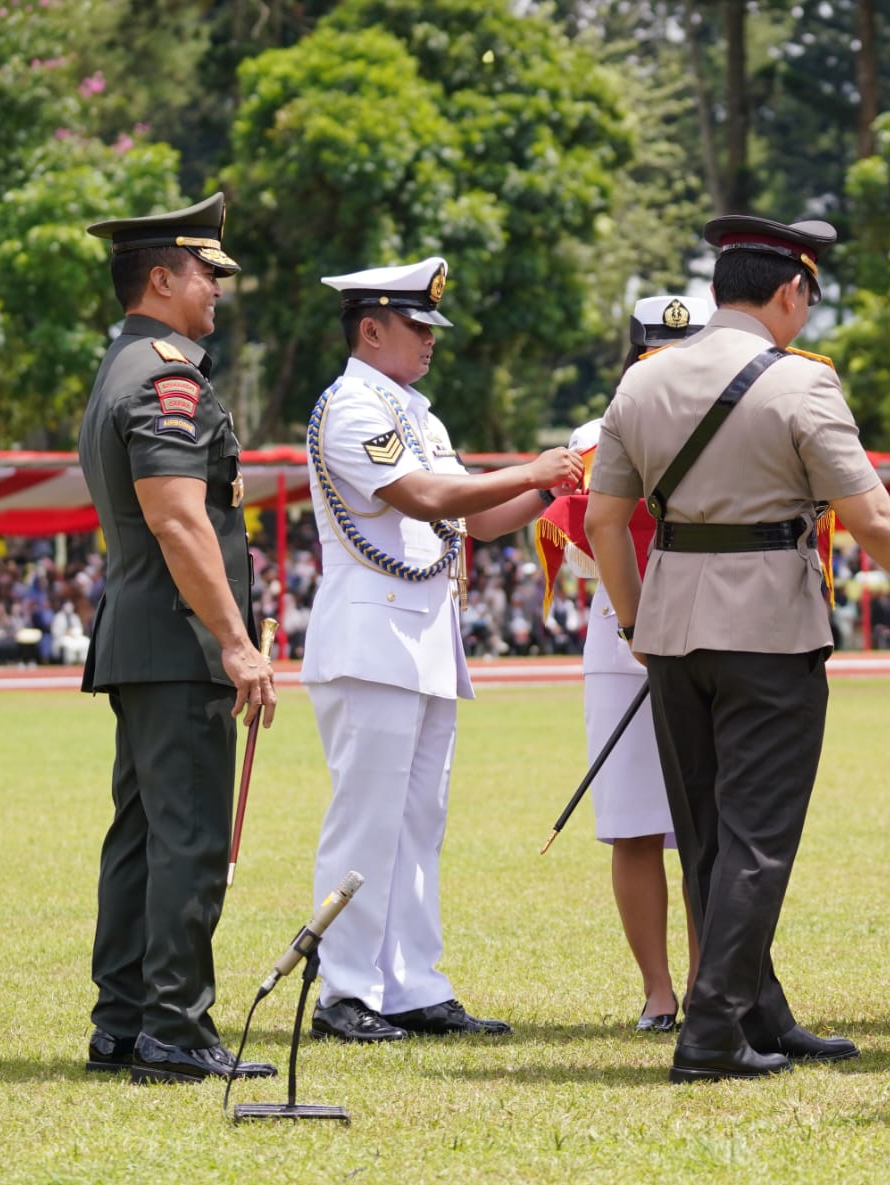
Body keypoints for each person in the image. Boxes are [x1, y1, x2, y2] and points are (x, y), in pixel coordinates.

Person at [586, 214, 890, 1083]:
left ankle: (757, 1009)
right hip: (769, 628)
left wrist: (638, 624)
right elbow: (870, 515)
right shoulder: (802, 386)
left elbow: (604, 521)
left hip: (672, 626)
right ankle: (711, 1031)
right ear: (790, 292)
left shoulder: (641, 384)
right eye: (806, 301)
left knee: (710, 830)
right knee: (758, 836)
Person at [301, 257, 581, 1042]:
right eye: (417, 326)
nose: (429, 340)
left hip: (419, 639)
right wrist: (532, 467)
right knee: (366, 821)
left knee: (420, 822)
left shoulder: (418, 416)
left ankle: (412, 983)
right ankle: (346, 991)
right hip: (369, 640)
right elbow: (424, 497)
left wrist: (561, 481)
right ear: (371, 328)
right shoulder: (354, 407)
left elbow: (479, 519)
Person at [79, 193, 278, 1084]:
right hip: (179, 642)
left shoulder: (119, 365)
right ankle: (175, 1028)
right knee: (188, 838)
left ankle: (123, 1020)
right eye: (207, 272)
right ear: (161, 278)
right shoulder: (169, 377)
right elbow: (179, 520)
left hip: (141, 638)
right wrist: (235, 642)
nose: (219, 289)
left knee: (142, 838)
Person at [566, 294, 710, 1032]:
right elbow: (586, 535)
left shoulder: (729, 423)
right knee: (632, 824)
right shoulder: (594, 436)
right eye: (655, 352)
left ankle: (704, 980)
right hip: (617, 637)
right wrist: (633, 618)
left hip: (710, 627)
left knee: (703, 825)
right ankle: (658, 990)